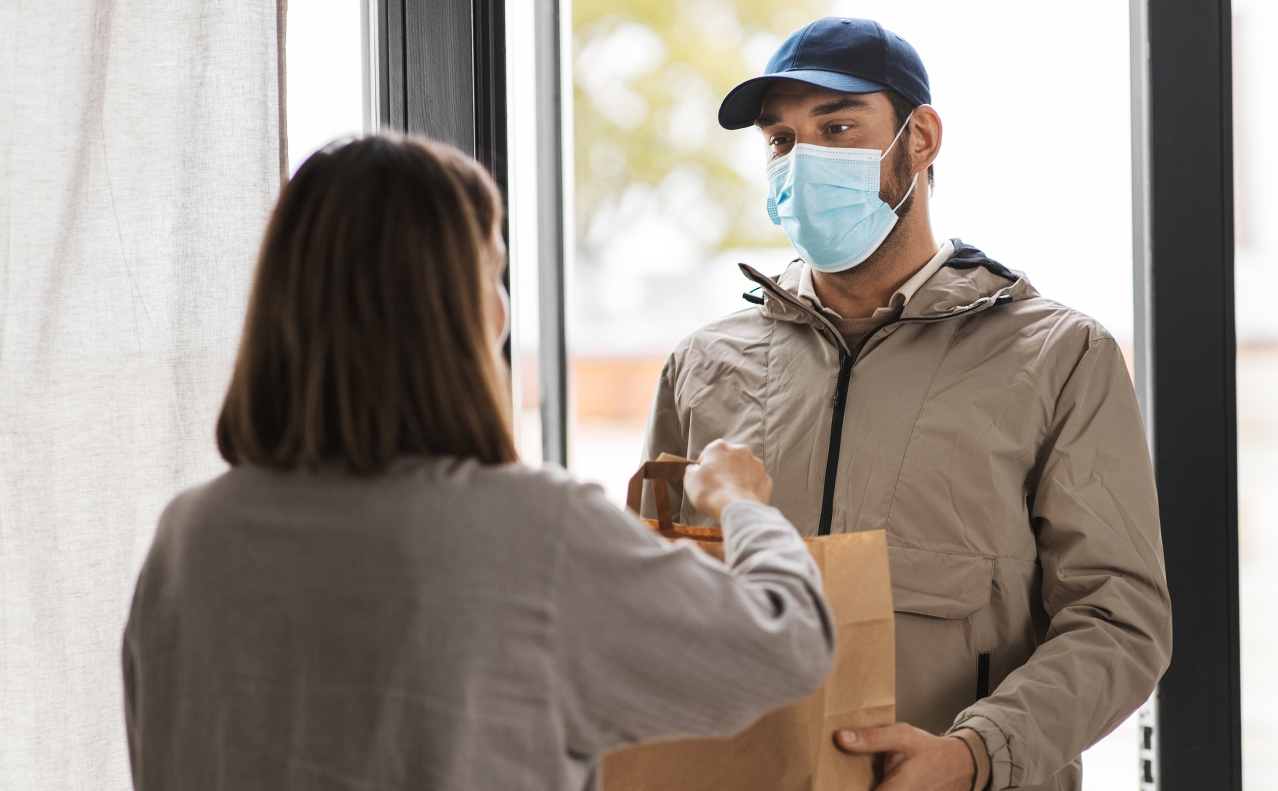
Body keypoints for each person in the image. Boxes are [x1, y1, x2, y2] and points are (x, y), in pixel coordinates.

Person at [121, 135, 835, 791]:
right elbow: (788, 641)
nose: (504, 310)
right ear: (453, 310)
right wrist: (744, 505)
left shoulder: (190, 535)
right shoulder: (530, 529)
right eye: (493, 272)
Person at [641, 17, 1172, 791]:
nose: (802, 160)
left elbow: (1121, 622)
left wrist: (973, 754)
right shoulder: (702, 364)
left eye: (838, 126)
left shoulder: (1058, 356)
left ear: (920, 139)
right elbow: (657, 603)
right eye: (782, 141)